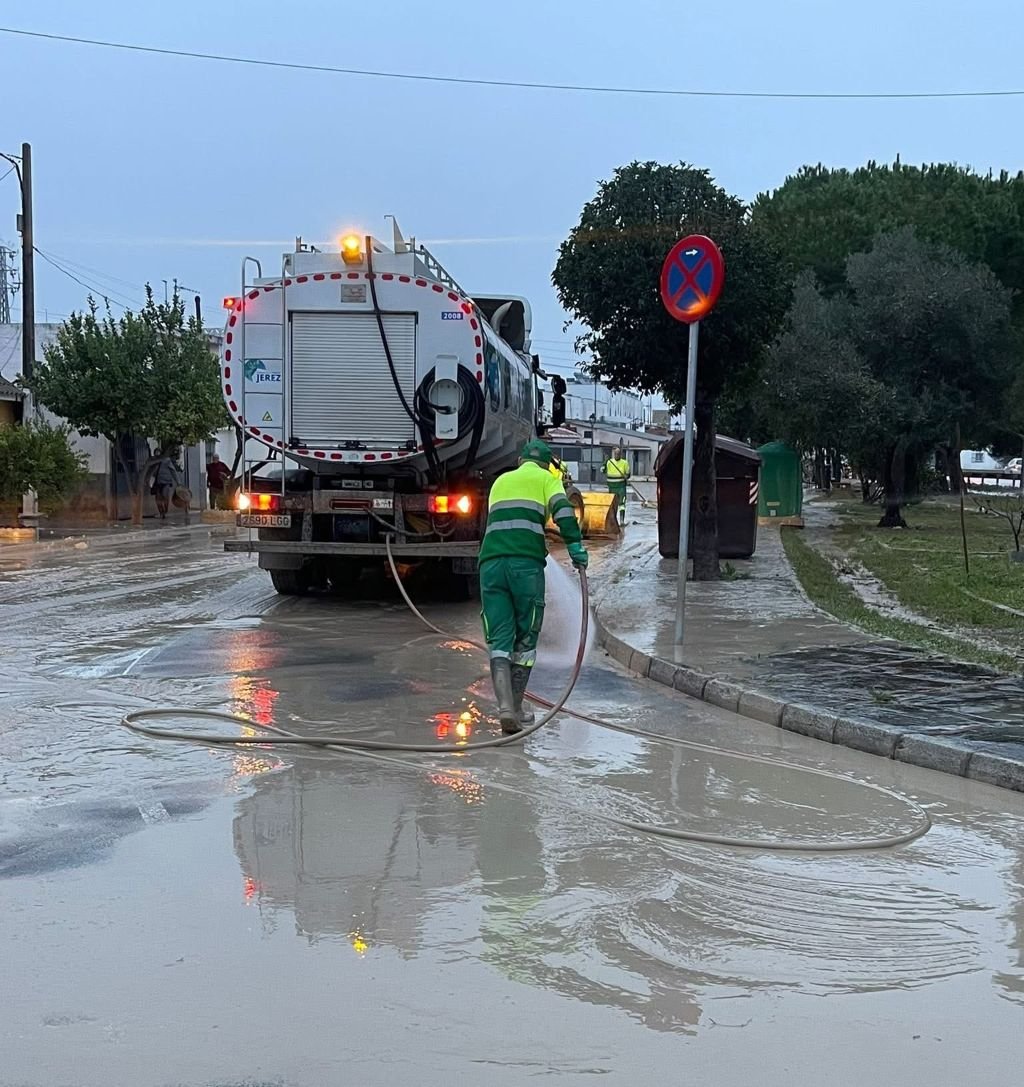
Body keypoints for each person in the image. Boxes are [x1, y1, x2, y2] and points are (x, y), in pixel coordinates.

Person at [479, 438, 588, 734]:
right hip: (525, 566)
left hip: (490, 566)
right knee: (526, 638)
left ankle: (505, 708)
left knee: (499, 638)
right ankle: (516, 708)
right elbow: (564, 512)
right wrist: (575, 546)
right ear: (545, 465)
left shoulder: (500, 482)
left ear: (520, 461)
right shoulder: (546, 479)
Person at [149, 450, 182, 521]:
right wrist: (148, 480)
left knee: (165, 496)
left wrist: (178, 482)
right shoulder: (153, 461)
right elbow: (151, 472)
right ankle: (161, 512)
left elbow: (173, 471)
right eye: (155, 454)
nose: (157, 455)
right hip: (157, 482)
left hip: (166, 481)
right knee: (157, 499)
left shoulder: (166, 460)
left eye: (158, 453)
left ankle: (165, 510)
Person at [603, 446, 631, 525]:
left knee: (622, 504)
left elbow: (628, 474)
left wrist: (626, 476)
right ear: (614, 454)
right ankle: (613, 521)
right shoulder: (609, 462)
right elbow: (603, 470)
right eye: (615, 454)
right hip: (611, 487)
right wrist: (605, 462)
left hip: (621, 486)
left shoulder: (624, 463)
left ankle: (621, 520)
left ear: (620, 454)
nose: (616, 455)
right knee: (612, 504)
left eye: (618, 454)